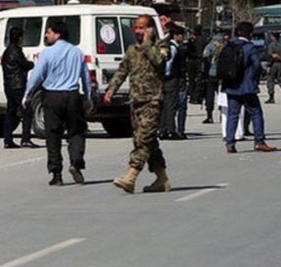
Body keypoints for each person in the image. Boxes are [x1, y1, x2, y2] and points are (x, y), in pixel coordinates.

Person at [103, 14, 172, 193]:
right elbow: (122, 70)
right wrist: (111, 89)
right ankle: (162, 179)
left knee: (143, 139)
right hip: (136, 101)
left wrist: (148, 43)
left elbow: (158, 60)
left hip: (152, 101)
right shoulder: (132, 49)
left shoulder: (161, 45)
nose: (138, 31)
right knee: (148, 141)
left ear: (150, 29)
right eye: (137, 28)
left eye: (142, 28)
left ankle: (131, 176)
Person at [24, 20, 91, 186]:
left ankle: (56, 174)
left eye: (49, 32)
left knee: (53, 135)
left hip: (53, 97)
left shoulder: (47, 53)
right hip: (73, 95)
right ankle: (76, 162)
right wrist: (88, 96)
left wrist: (27, 94)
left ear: (57, 34)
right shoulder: (77, 52)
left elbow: (37, 75)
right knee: (76, 131)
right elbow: (86, 77)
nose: (47, 35)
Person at [222, 20, 277, 154]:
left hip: (231, 86)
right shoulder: (250, 47)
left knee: (232, 115)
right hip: (247, 86)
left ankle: (230, 143)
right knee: (256, 113)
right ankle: (259, 141)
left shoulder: (229, 46)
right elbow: (256, 65)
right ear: (250, 33)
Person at [2, 27, 36, 149]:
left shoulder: (7, 52)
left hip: (8, 85)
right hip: (18, 85)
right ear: (19, 38)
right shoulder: (16, 52)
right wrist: (32, 63)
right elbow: (25, 65)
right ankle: (25, 138)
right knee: (27, 111)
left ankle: (7, 139)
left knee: (10, 112)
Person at [160, 26, 187, 140]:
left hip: (166, 80)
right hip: (171, 80)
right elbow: (168, 65)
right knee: (170, 105)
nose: (183, 37)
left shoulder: (168, 46)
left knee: (165, 106)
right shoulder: (173, 48)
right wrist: (168, 75)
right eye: (181, 35)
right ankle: (170, 130)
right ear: (176, 36)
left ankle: (163, 129)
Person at [201, 30, 230, 123]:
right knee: (222, 95)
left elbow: (205, 57)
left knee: (209, 95)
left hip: (211, 74)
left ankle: (209, 115)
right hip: (222, 74)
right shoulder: (225, 46)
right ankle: (223, 114)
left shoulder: (210, 46)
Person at [263, 33, 281, 104]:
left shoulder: (271, 45)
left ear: (274, 37)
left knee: (270, 81)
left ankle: (271, 97)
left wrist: (269, 66)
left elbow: (271, 56)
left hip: (273, 64)